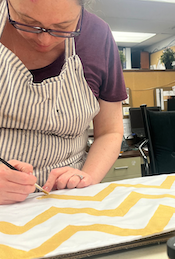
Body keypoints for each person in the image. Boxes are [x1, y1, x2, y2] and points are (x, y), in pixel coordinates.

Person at [0, 0, 127, 205]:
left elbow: (110, 131)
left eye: (63, 27)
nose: (45, 40)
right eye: (27, 22)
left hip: (67, 198)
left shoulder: (98, 36)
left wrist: (86, 177)